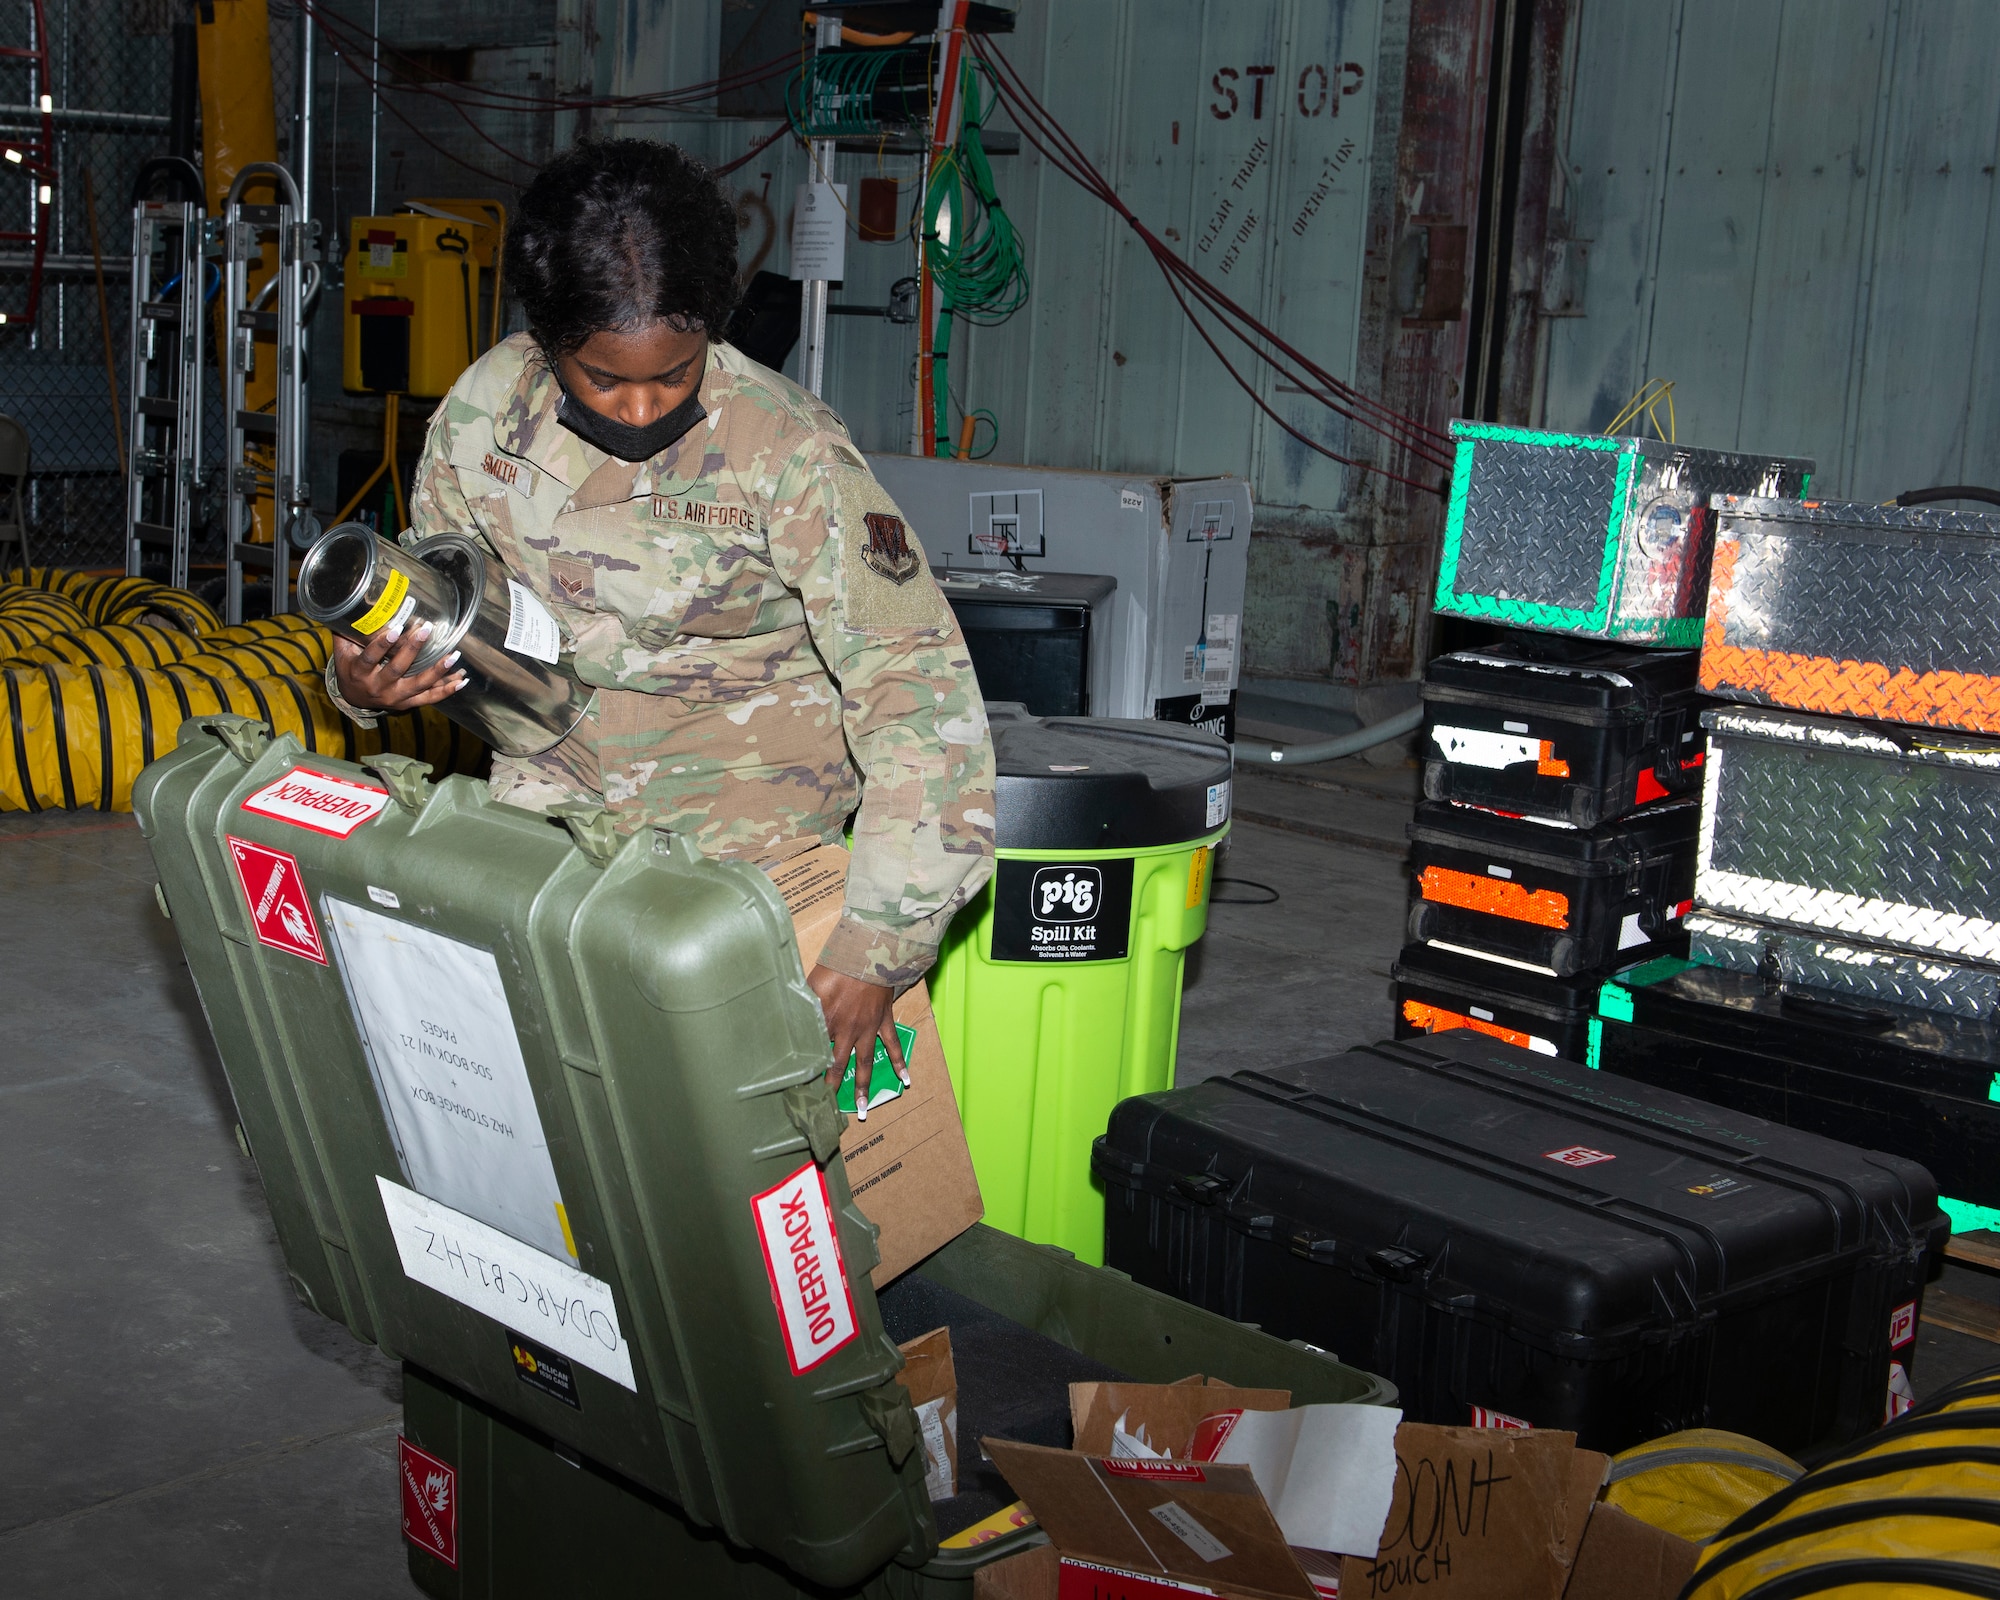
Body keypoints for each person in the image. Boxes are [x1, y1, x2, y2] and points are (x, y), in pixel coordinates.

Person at [329, 138, 996, 1112]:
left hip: (747, 858)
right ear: (547, 339)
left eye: (674, 373)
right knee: (555, 1135)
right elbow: (438, 611)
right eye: (603, 378)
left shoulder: (787, 450)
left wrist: (878, 944)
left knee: (746, 1164)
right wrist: (362, 681)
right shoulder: (482, 419)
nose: (642, 407)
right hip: (549, 832)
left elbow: (914, 686)